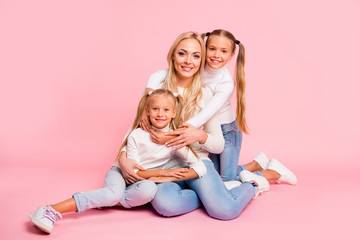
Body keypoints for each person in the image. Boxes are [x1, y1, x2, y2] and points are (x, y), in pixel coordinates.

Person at [119, 31, 297, 220]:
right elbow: (135, 128)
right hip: (164, 166)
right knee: (166, 206)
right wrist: (123, 158)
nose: (188, 61)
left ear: (201, 60)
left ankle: (254, 183)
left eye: (196, 56)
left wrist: (198, 136)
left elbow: (218, 145)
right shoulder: (156, 89)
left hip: (195, 162)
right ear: (172, 55)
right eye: (182, 53)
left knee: (224, 210)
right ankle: (214, 192)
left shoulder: (206, 94)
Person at [29, 89, 206, 234]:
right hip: (120, 175)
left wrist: (172, 177)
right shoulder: (137, 135)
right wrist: (163, 173)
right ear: (147, 111)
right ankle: (50, 209)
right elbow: (133, 172)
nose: (160, 114)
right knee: (113, 193)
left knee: (149, 189)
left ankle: (104, 200)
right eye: (155, 109)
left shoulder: (175, 140)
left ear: (174, 113)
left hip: (142, 182)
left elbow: (200, 168)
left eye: (166, 110)